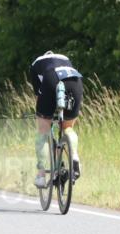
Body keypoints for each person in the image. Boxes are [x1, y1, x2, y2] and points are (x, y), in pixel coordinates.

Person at [28, 51, 83, 189]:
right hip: (74, 78)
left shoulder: (36, 64)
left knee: (43, 130)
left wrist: (43, 117)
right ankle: (74, 156)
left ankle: (41, 175)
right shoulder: (66, 59)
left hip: (52, 78)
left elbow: (39, 96)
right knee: (67, 127)